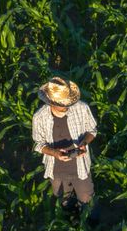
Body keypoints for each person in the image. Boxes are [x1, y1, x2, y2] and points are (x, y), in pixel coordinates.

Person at [31, 77, 99, 222]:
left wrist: (84, 143)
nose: (68, 105)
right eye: (63, 104)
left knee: (87, 199)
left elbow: (92, 130)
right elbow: (38, 144)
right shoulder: (39, 117)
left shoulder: (81, 108)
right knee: (64, 200)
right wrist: (54, 153)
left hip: (80, 166)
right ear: (52, 102)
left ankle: (90, 228)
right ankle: (70, 223)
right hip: (56, 169)